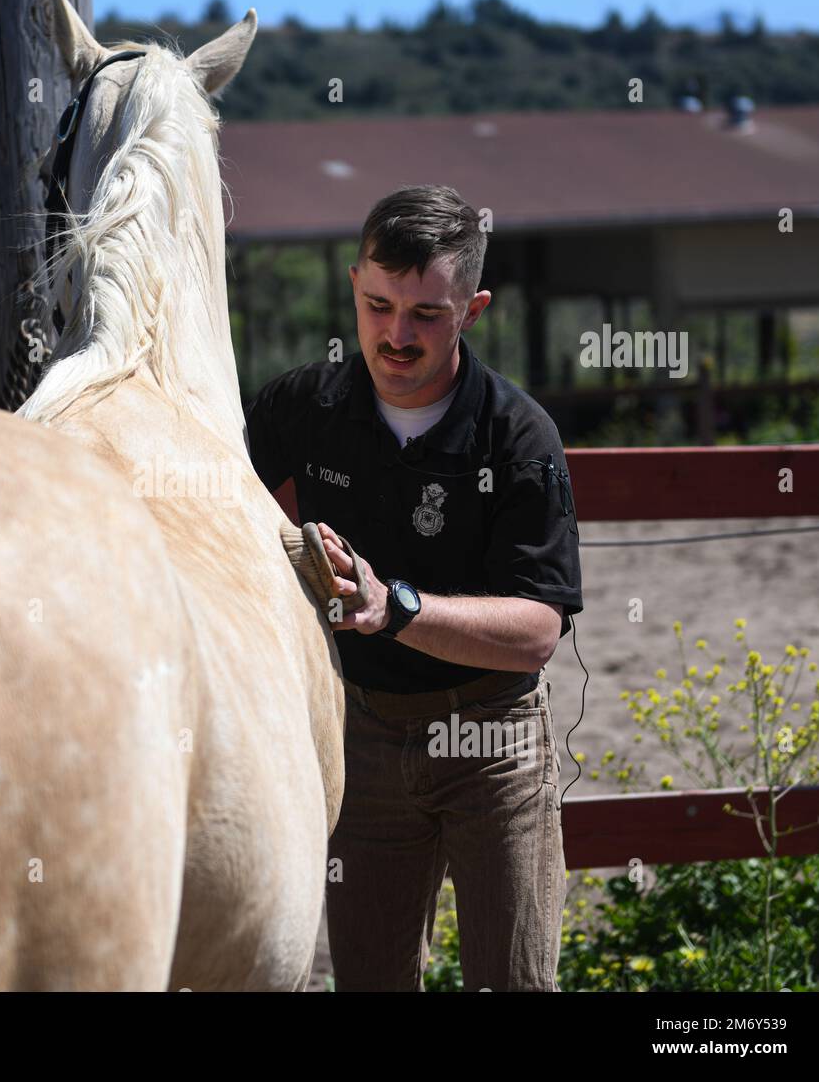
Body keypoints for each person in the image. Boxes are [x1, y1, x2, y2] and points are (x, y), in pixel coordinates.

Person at [243, 184, 583, 991]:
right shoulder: (303, 406)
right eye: (377, 303)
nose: (396, 334)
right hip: (358, 738)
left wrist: (390, 606)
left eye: (427, 313)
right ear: (354, 284)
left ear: (473, 309)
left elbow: (537, 629)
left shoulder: (520, 433)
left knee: (515, 984)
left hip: (494, 742)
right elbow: (211, 505)